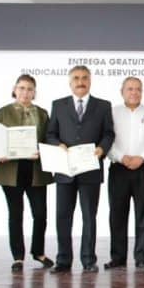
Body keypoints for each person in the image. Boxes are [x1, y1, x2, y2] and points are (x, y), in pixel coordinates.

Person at [46, 65, 114, 273]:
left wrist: (102, 148)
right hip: (65, 170)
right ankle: (63, 260)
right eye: (76, 78)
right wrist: (58, 145)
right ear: (70, 82)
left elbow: (108, 133)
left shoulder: (103, 106)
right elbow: (50, 133)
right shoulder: (58, 105)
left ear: (90, 81)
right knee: (62, 216)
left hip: (90, 170)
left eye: (84, 77)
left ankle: (88, 260)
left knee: (89, 217)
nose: (80, 81)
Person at [0, 74, 54, 272]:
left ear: (34, 92)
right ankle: (18, 257)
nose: (25, 92)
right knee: (16, 214)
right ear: (14, 90)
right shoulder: (3, 112)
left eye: (29, 89)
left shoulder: (42, 113)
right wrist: (0, 152)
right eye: (22, 88)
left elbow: (49, 139)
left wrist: (42, 151)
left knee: (40, 214)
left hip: (35, 170)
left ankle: (38, 252)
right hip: (11, 170)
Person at [104, 77, 144, 270]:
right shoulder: (112, 113)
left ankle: (142, 257)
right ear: (122, 91)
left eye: (138, 89)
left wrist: (142, 157)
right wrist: (121, 157)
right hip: (119, 167)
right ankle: (118, 257)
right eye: (130, 89)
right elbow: (106, 140)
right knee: (117, 213)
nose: (134, 92)